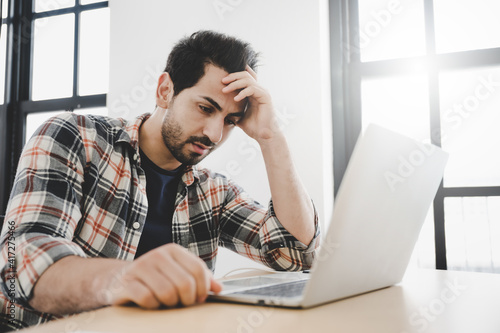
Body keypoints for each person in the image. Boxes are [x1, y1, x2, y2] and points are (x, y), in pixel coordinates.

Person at [0, 30, 320, 330]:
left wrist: (270, 136)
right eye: (205, 107)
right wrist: (126, 279)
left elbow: (295, 254)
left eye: (230, 121)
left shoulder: (213, 191)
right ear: (165, 90)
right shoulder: (75, 139)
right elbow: (22, 266)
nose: (214, 134)